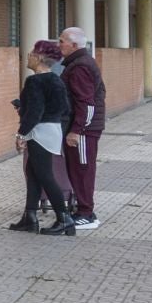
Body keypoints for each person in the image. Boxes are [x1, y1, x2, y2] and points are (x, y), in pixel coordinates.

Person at [11, 40, 75, 236]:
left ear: (38, 57)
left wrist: (21, 134)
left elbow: (35, 112)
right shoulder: (56, 80)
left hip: (39, 132)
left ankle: (64, 218)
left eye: (31, 53)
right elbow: (65, 108)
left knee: (45, 175)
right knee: (33, 173)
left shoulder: (34, 81)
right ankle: (29, 217)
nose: (28, 56)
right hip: (53, 131)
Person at [56, 26, 107, 230]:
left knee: (82, 170)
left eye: (62, 41)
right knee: (77, 170)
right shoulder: (78, 63)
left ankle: (86, 213)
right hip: (82, 128)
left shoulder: (80, 67)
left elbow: (86, 103)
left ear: (74, 45)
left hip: (83, 131)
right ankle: (82, 210)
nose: (58, 45)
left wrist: (77, 130)